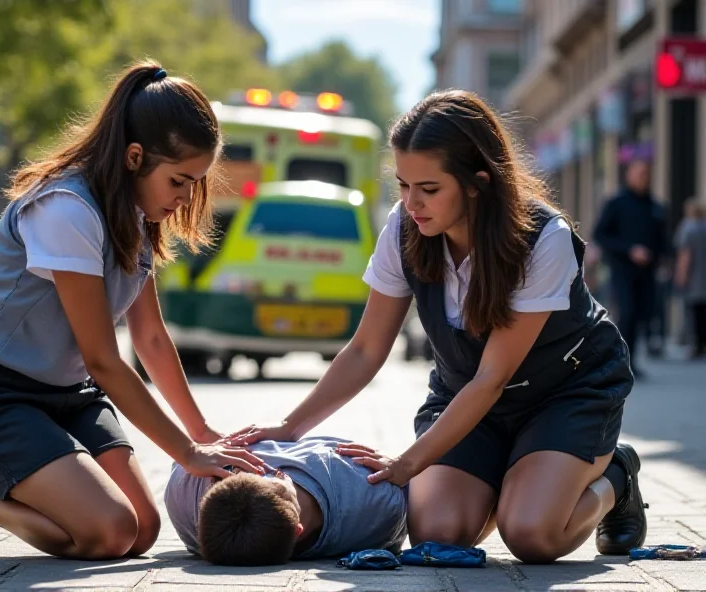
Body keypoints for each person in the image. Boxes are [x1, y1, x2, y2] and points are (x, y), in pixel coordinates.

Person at [224, 91, 647, 564]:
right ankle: (521, 474)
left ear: (477, 183)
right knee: (437, 533)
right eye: (403, 186)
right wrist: (288, 427)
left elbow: (493, 378)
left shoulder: (543, 238)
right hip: (466, 395)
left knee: (532, 535)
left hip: (566, 391)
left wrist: (408, 464)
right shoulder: (404, 227)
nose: (412, 203)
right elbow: (365, 350)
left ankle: (617, 476)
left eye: (428, 188)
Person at [0, 61, 266, 560]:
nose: (185, 198)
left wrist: (201, 432)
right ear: (135, 157)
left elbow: (150, 338)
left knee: (142, 532)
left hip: (69, 394)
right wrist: (188, 455)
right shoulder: (65, 208)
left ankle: (10, 477)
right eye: (179, 181)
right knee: (109, 532)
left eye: (194, 183)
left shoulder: (136, 214)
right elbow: (105, 360)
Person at [164, 437, 407, 566]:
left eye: (234, 472)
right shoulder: (372, 500)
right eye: (280, 478)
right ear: (298, 531)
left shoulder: (184, 496)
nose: (267, 469)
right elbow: (405, 483)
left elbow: (182, 465)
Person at [594, 160, 667, 378]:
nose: (643, 177)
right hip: (623, 271)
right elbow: (601, 234)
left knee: (642, 315)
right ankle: (620, 362)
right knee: (627, 312)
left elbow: (661, 239)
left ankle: (631, 361)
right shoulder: (616, 203)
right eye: (639, 173)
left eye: (646, 173)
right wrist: (629, 250)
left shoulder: (655, 206)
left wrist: (665, 260)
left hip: (648, 273)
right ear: (629, 175)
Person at [675, 199, 706, 358]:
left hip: (693, 278)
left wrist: (681, 275)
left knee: (693, 313)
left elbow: (685, 255)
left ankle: (695, 345)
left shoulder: (687, 228)